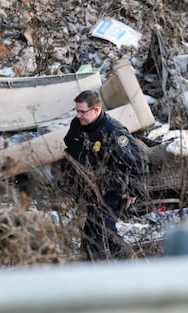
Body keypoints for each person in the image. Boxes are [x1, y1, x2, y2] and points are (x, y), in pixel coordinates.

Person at [62, 90, 149, 260]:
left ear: (96, 110)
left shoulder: (113, 131)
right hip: (92, 187)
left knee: (104, 229)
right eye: (76, 111)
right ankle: (89, 264)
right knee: (90, 231)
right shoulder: (77, 125)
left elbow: (139, 160)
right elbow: (70, 146)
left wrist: (133, 191)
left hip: (115, 188)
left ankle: (130, 261)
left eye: (82, 112)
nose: (78, 115)